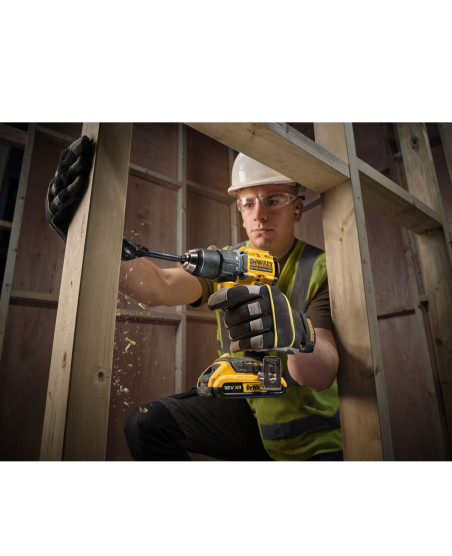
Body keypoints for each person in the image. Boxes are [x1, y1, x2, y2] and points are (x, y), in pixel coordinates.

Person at [46, 137, 343, 461]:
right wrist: (88, 235)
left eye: (272, 201)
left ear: (297, 208)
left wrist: (294, 334)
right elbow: (158, 286)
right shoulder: (229, 262)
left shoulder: (322, 268)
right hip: (250, 411)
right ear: (241, 211)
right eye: (248, 203)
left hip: (313, 441)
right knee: (147, 424)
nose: (259, 215)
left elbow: (320, 375)